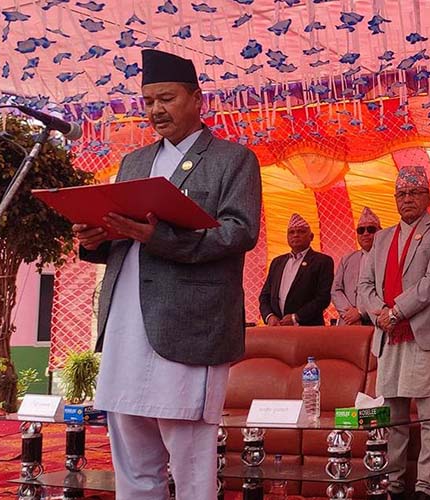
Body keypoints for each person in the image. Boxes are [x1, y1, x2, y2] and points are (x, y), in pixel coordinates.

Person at [73, 49, 261, 499]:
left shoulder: (233, 159)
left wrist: (160, 237)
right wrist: (96, 238)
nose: (156, 110)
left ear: (197, 99)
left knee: (191, 464)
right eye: (149, 101)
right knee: (132, 458)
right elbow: (125, 236)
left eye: (167, 98)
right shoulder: (134, 162)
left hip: (190, 325)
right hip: (127, 323)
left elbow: (239, 232)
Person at [358, 166, 430, 500]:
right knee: (394, 416)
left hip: (426, 334)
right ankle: (394, 483)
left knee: (429, 417)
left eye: (415, 192)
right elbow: (364, 285)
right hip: (389, 335)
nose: (407, 199)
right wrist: (380, 313)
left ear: (429, 197)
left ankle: (426, 486)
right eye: (401, 194)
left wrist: (396, 311)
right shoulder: (382, 237)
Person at [259, 213, 334, 326]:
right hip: (278, 328)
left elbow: (323, 298)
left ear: (311, 237)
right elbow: (265, 296)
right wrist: (269, 316)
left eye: (301, 231)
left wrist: (296, 317)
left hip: (308, 328)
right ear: (287, 237)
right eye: (291, 232)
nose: (296, 235)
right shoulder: (277, 262)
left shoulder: (322, 261)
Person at [332, 207, 381, 325]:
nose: (365, 233)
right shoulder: (347, 259)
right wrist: (349, 314)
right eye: (361, 230)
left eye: (371, 229)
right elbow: (336, 290)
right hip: (348, 322)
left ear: (380, 231)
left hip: (376, 321)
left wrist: (360, 312)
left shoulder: (387, 257)